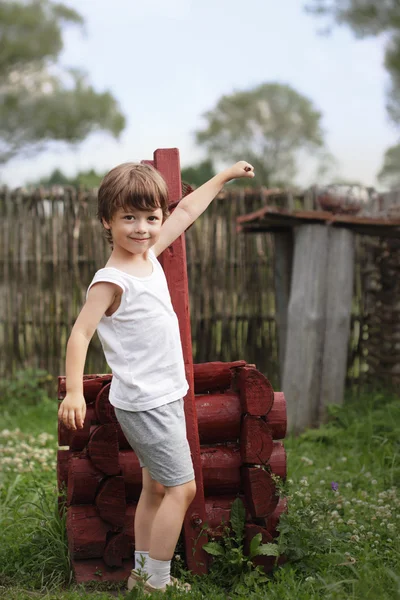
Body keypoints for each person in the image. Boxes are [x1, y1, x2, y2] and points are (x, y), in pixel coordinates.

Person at [58, 159, 255, 593]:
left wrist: (223, 177)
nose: (143, 227)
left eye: (151, 217)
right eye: (129, 217)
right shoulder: (110, 282)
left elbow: (185, 212)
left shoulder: (147, 254)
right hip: (148, 403)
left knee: (154, 487)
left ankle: (141, 577)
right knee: (182, 490)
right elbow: (80, 334)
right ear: (107, 221)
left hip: (156, 398)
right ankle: (157, 585)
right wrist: (73, 391)